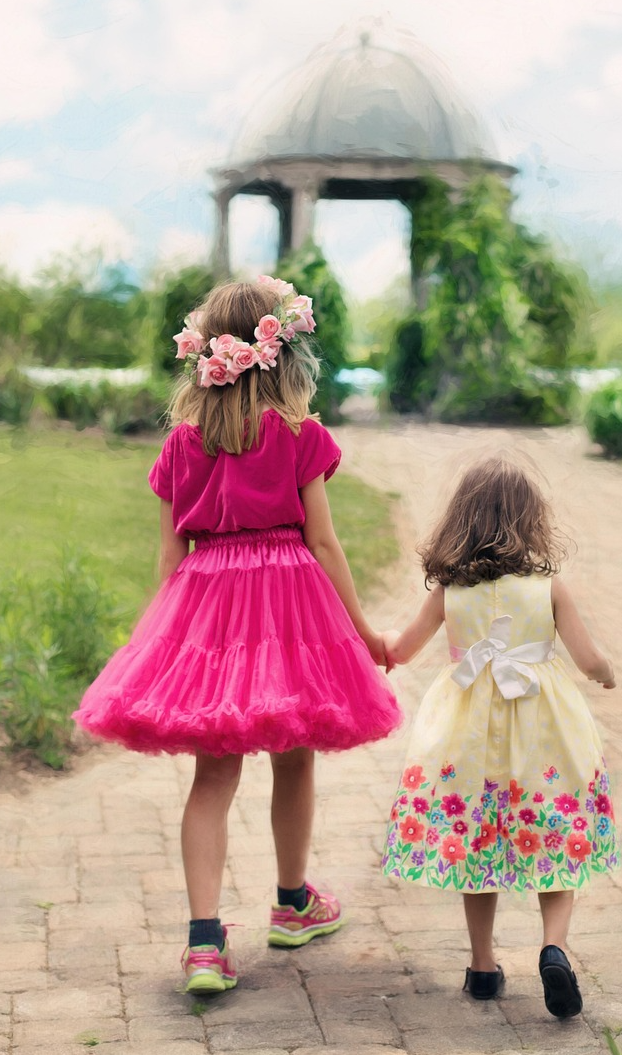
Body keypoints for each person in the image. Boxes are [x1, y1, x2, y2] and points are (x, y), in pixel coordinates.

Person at [74, 276, 401, 994]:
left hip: (208, 606)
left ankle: (202, 942)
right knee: (294, 754)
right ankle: (291, 903)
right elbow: (322, 543)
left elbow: (169, 560)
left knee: (213, 772)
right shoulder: (297, 435)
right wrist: (363, 629)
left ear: (204, 357)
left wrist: (151, 649)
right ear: (279, 354)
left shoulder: (181, 445)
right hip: (287, 605)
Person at [380, 455, 618, 1019]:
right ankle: (554, 947)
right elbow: (587, 658)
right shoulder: (547, 587)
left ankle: (483, 967)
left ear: (460, 521)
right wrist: (606, 672)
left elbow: (402, 648)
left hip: (469, 740)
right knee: (557, 834)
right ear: (530, 520)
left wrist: (367, 637)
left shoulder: (449, 592)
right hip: (543, 735)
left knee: (477, 842)